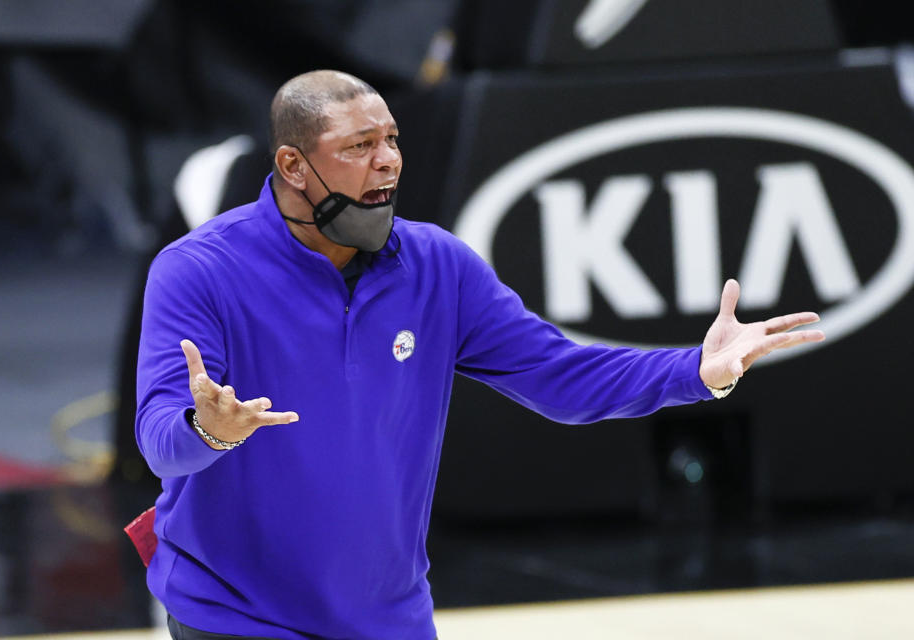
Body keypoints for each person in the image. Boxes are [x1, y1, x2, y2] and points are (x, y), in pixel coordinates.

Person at [134, 69, 824, 640]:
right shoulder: (198, 271)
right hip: (236, 614)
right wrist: (209, 433)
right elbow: (160, 440)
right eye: (359, 146)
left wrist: (695, 374)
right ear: (292, 164)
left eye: (392, 140)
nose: (387, 161)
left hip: (387, 618)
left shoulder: (438, 266)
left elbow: (560, 376)